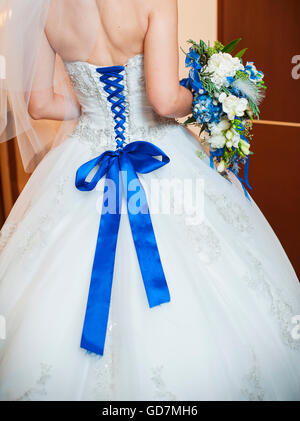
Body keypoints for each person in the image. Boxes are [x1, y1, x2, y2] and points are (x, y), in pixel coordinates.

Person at [0, 0, 299, 401]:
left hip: (85, 158)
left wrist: (94, 112)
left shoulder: (46, 8)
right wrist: (210, 95)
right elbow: (163, 100)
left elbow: (39, 104)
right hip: (158, 156)